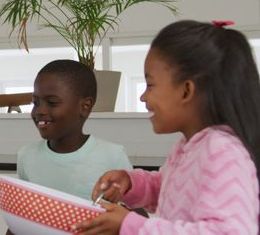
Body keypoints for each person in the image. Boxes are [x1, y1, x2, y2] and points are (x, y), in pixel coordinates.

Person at [73, 20, 260, 234]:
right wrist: (131, 183)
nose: (143, 96)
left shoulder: (221, 151)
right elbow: (168, 189)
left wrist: (133, 226)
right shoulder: (190, 147)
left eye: (150, 84)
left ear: (186, 91)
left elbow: (228, 231)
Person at [6, 60, 133, 234]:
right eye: (35, 102)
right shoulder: (26, 156)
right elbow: (20, 218)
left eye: (52, 102)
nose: (39, 111)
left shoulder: (112, 156)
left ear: (84, 106)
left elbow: (134, 216)